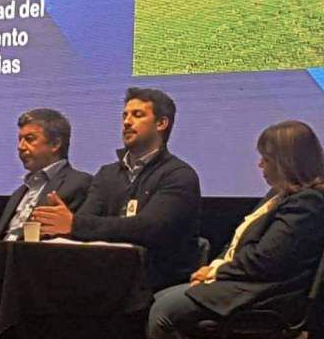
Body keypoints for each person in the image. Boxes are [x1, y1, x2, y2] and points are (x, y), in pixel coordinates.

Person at [147, 120, 324, 339]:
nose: (260, 165)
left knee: (162, 313)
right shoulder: (278, 196)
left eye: (266, 159)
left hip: (265, 293)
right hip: (242, 284)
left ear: (285, 163)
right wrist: (213, 268)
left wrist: (216, 272)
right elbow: (236, 244)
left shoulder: (309, 203)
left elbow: (266, 259)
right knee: (154, 300)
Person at [32, 87, 201, 291]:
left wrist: (74, 223)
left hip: (153, 280)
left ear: (161, 123)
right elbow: (87, 217)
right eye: (125, 115)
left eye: (137, 115)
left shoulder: (178, 175)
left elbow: (149, 228)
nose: (127, 122)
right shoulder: (108, 174)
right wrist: (74, 224)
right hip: (104, 274)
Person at [0, 108, 92, 240]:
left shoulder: (80, 183)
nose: (21, 147)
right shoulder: (19, 192)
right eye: (20, 140)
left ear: (55, 144)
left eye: (30, 139)